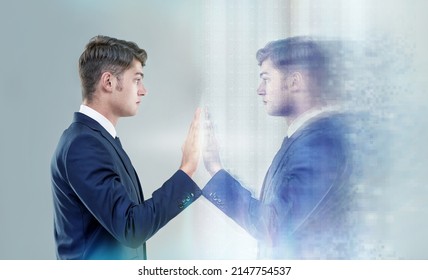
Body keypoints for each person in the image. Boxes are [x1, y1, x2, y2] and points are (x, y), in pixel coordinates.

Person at [50, 35, 201, 260]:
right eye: (136, 80)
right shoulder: (84, 145)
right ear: (108, 82)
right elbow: (131, 228)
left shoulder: (99, 140)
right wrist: (186, 169)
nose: (143, 90)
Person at [202, 37, 355, 259]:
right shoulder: (306, 138)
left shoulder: (320, 143)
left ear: (294, 82)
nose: (260, 90)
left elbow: (272, 227)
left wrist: (215, 169)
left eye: (266, 79)